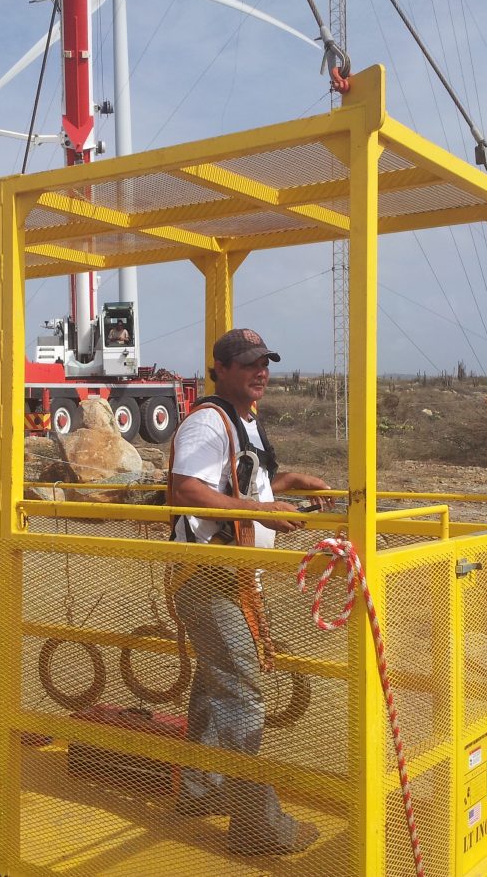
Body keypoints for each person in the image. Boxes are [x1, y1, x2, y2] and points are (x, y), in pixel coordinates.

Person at [168, 327, 331, 856]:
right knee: (240, 690)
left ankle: (200, 789)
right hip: (210, 575)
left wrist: (287, 484)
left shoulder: (245, 424)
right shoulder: (207, 423)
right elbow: (187, 489)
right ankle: (257, 823)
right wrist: (262, 512)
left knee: (218, 684)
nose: (260, 371)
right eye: (248, 364)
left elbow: (238, 486)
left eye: (264, 362)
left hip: (233, 574)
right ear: (220, 369)